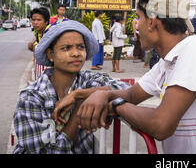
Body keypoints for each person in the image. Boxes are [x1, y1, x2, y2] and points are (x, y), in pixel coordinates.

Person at [76, 0, 196, 154]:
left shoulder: (194, 52)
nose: (137, 25)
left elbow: (161, 125)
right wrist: (101, 95)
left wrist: (115, 105)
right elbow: (132, 94)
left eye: (139, 18)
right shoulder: (168, 60)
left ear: (152, 22)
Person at [13, 20, 130, 154]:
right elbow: (51, 151)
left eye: (80, 47)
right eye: (66, 48)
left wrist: (79, 95)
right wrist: (79, 110)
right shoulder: (31, 97)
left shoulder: (87, 81)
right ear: (50, 55)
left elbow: (128, 91)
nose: (76, 53)